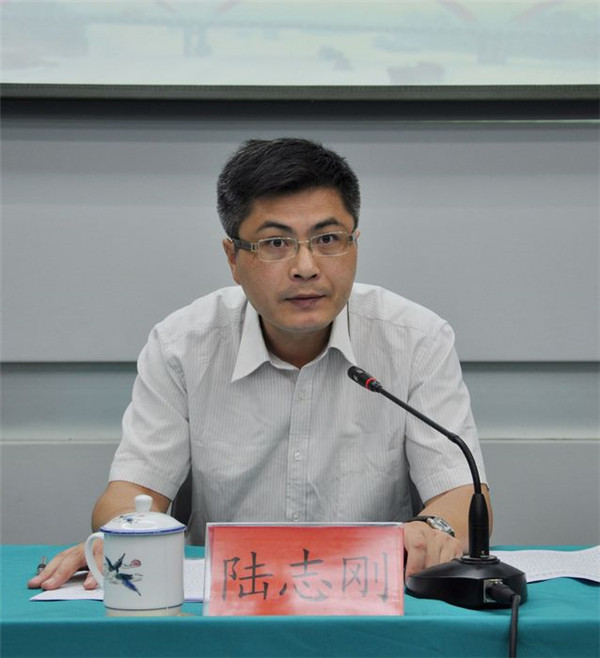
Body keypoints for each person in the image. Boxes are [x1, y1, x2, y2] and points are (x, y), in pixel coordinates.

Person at [28, 137, 491, 593]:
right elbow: (133, 492)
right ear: (233, 258)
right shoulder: (181, 345)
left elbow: (462, 492)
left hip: (371, 596)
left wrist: (434, 529)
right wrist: (118, 540)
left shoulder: (416, 339)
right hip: (228, 599)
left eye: (328, 239)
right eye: (275, 243)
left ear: (355, 244)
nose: (306, 266)